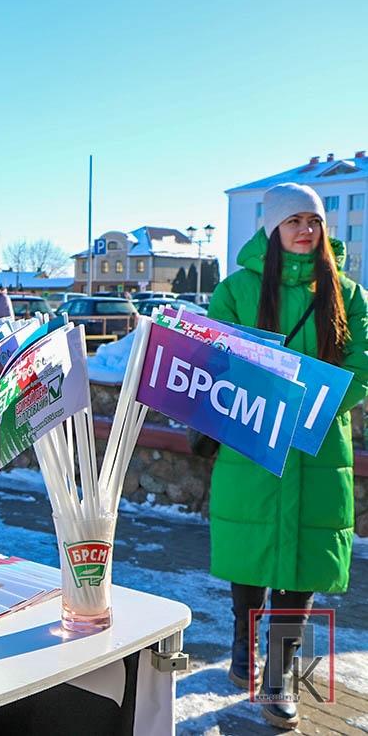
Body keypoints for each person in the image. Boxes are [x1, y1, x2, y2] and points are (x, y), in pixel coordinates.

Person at [206, 183, 368, 729]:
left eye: (314, 221)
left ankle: (280, 674)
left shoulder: (349, 293)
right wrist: (266, 407)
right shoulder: (235, 290)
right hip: (253, 440)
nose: (306, 229)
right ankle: (242, 642)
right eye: (294, 220)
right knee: (249, 548)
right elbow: (216, 359)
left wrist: (313, 411)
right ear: (272, 228)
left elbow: (363, 362)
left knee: (304, 560)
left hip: (319, 448)